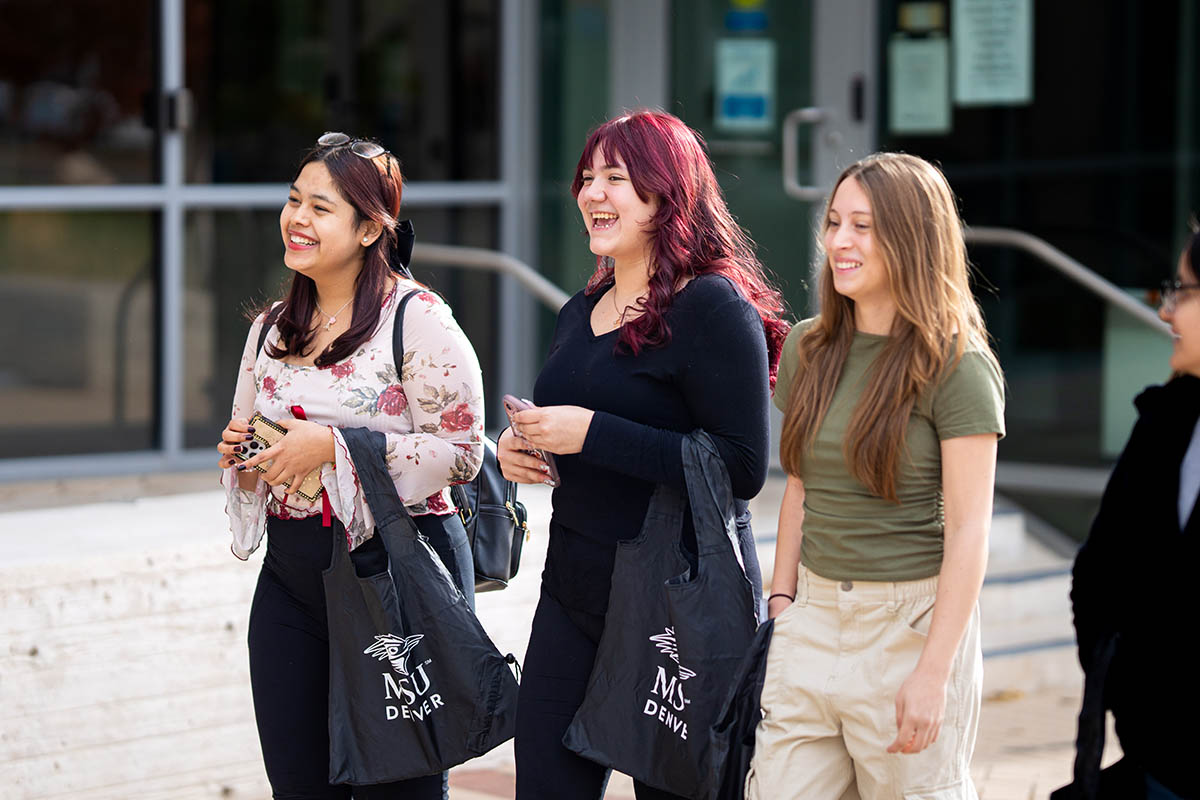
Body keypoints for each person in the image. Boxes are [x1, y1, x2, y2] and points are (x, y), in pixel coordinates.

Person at [496, 109, 788, 800]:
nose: (593, 194)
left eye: (617, 178)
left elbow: (742, 468)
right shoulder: (581, 309)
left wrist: (592, 433)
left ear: (667, 194)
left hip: (676, 606)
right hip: (574, 591)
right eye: (587, 178)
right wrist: (524, 446)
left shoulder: (714, 308)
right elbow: (585, 428)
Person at [216, 132, 484, 800]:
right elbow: (252, 449)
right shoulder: (272, 330)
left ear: (370, 228)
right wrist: (246, 459)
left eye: (320, 207)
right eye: (292, 200)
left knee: (403, 787)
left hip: (397, 575)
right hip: (293, 578)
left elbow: (464, 453)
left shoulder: (418, 320)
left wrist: (334, 450)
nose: (297, 219)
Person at [746, 152, 1005, 799]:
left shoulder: (956, 364)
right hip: (814, 615)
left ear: (913, 236)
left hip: (909, 628)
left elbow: (971, 531)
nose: (839, 241)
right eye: (834, 222)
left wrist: (933, 671)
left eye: (862, 226)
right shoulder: (811, 348)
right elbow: (800, 487)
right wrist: (781, 606)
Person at [1068, 223, 1200, 800]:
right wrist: (1126, 692)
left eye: (1184, 291)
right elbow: (1097, 575)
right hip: (1158, 766)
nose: (1167, 312)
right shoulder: (1167, 419)